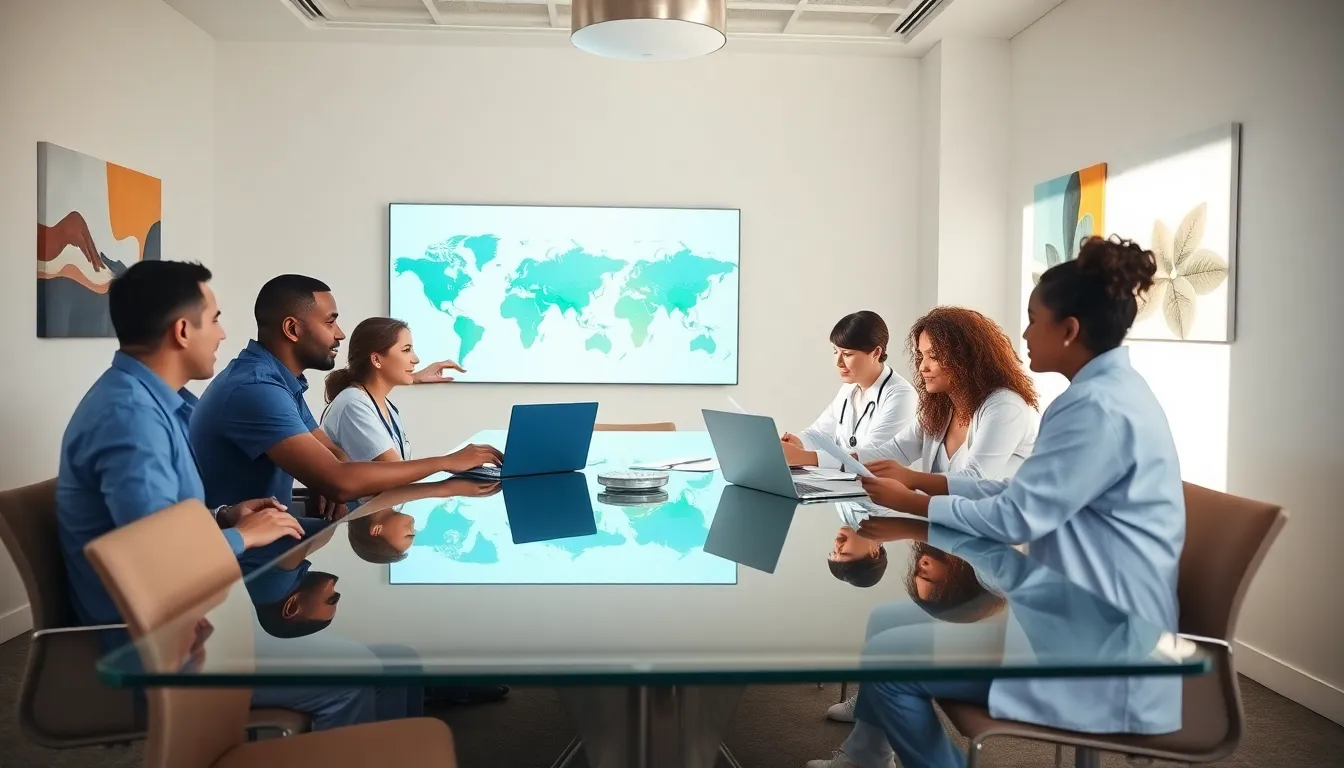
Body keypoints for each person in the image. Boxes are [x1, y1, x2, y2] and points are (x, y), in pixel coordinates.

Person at [814, 236, 1184, 768]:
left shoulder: (1090, 410)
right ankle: (866, 757)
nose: (1026, 332)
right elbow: (1019, 495)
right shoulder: (1112, 394)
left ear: (1070, 329)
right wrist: (923, 488)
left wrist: (915, 501)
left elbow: (1015, 516)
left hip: (1095, 647)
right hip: (1082, 611)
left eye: (1034, 318)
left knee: (894, 666)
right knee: (889, 626)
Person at [56, 260, 383, 731]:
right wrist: (243, 538)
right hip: (159, 643)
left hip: (190, 611)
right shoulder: (130, 420)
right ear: (182, 331)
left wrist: (224, 515)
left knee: (383, 661)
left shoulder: (155, 402)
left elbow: (152, 520)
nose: (224, 334)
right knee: (358, 675)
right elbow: (151, 556)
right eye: (215, 320)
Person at [190, 275, 501, 518]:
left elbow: (333, 455)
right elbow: (341, 479)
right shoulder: (257, 389)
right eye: (330, 322)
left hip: (270, 531)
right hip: (238, 553)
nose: (339, 333)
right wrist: (446, 462)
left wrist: (325, 477)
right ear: (292, 329)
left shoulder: (282, 382)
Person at [858, 307, 1039, 478]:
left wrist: (909, 480)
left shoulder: (1005, 406)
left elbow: (974, 479)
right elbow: (896, 450)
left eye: (934, 356)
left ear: (966, 357)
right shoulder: (940, 409)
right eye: (922, 356)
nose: (922, 367)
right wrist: (841, 460)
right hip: (944, 511)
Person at [781, 311, 917, 469]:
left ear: (876, 352)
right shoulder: (850, 388)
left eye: (847, 354)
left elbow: (871, 456)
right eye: (835, 351)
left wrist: (807, 457)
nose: (838, 362)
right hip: (843, 484)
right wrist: (796, 442)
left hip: (876, 489)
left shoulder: (901, 395)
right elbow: (819, 434)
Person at [320, 316, 461, 465]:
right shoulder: (353, 406)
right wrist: (448, 463)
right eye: (406, 350)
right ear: (376, 360)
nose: (416, 359)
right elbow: (396, 472)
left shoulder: (378, 402)